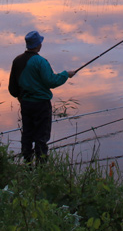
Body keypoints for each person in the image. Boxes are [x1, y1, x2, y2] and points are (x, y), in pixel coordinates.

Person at [8, 30, 75, 164]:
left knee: (27, 134)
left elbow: (13, 89)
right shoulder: (40, 62)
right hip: (41, 105)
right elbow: (52, 81)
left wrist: (21, 97)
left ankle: (27, 164)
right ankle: (41, 167)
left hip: (25, 104)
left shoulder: (17, 60)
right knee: (41, 137)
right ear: (38, 45)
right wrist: (66, 74)